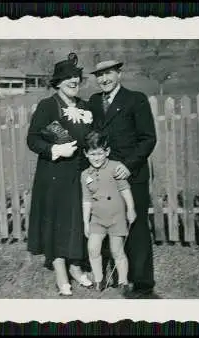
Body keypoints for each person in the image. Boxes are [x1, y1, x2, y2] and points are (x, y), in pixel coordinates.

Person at [87, 59, 158, 298]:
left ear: (119, 73)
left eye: (108, 74)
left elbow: (148, 138)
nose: (104, 79)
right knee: (111, 223)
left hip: (131, 175)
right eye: (99, 75)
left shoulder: (136, 99)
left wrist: (129, 166)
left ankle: (142, 283)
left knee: (135, 225)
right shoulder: (95, 102)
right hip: (105, 176)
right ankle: (120, 276)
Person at [26, 53, 94, 296]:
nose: (74, 81)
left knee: (77, 220)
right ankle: (60, 269)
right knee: (56, 220)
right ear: (57, 83)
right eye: (68, 78)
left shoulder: (85, 107)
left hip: (79, 172)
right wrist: (54, 149)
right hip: (53, 173)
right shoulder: (47, 106)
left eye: (76, 77)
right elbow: (32, 139)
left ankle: (76, 266)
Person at [81, 131, 136, 293]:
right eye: (92, 154)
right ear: (86, 154)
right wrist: (85, 221)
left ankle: (123, 281)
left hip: (116, 217)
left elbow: (125, 190)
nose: (97, 158)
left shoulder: (115, 167)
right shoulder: (85, 175)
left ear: (107, 152)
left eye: (100, 153)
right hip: (97, 219)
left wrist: (131, 210)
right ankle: (99, 280)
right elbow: (86, 200)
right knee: (93, 249)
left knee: (117, 250)